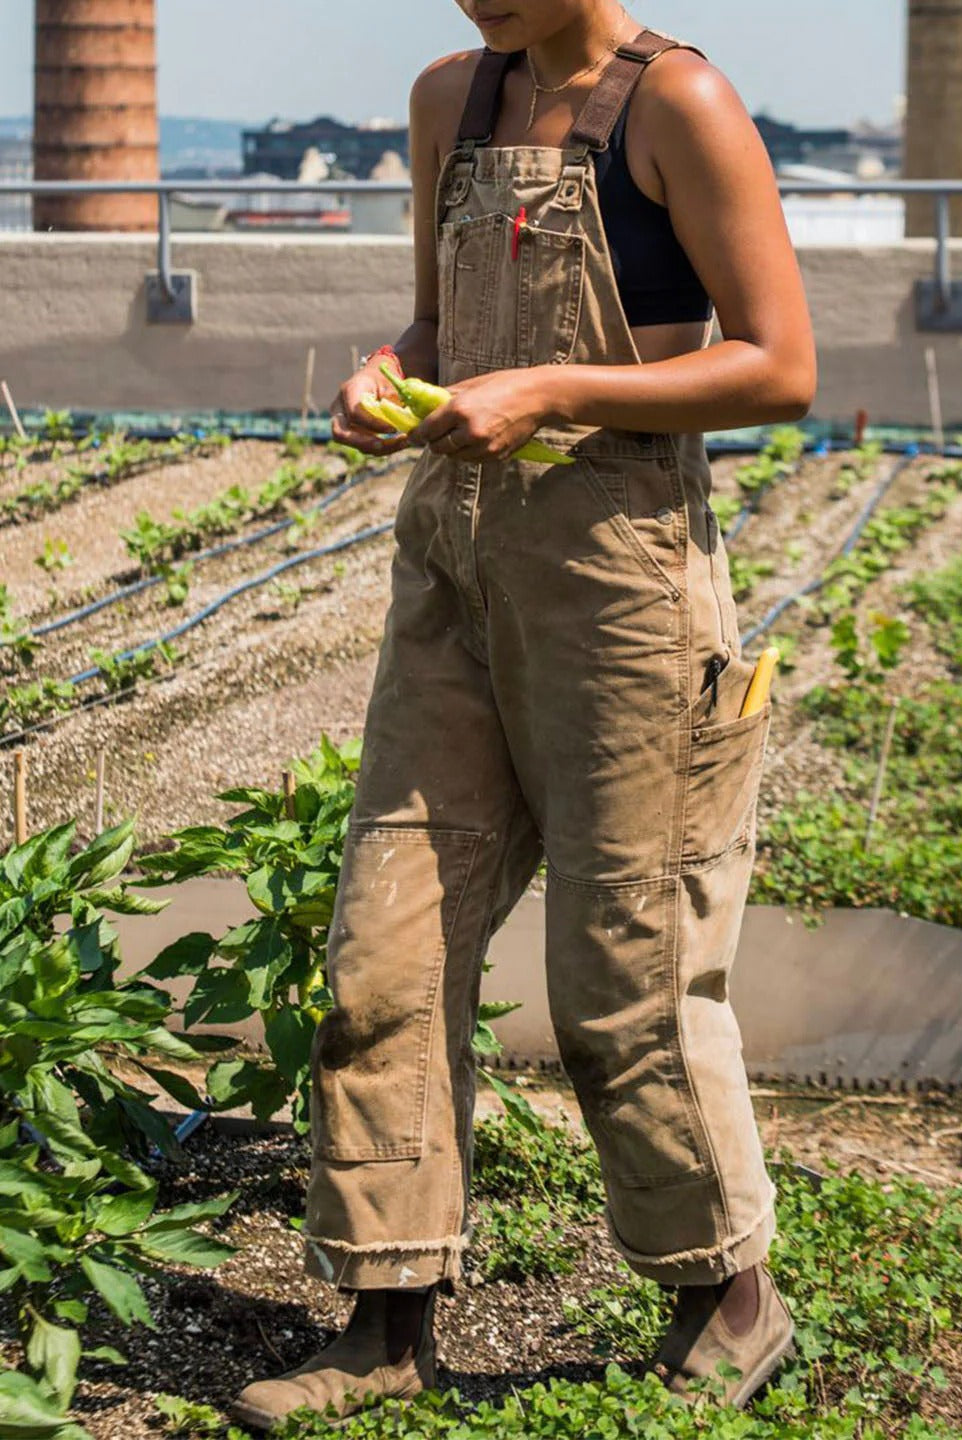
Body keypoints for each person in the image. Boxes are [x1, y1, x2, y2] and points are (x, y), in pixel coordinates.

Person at [230, 0, 816, 1428]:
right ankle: (383, 1320)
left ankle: (728, 1297)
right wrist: (388, 374)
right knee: (385, 944)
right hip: (453, 562)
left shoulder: (682, 106)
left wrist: (551, 385)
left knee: (628, 964)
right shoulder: (453, 100)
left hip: (619, 576)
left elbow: (780, 366)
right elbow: (441, 315)